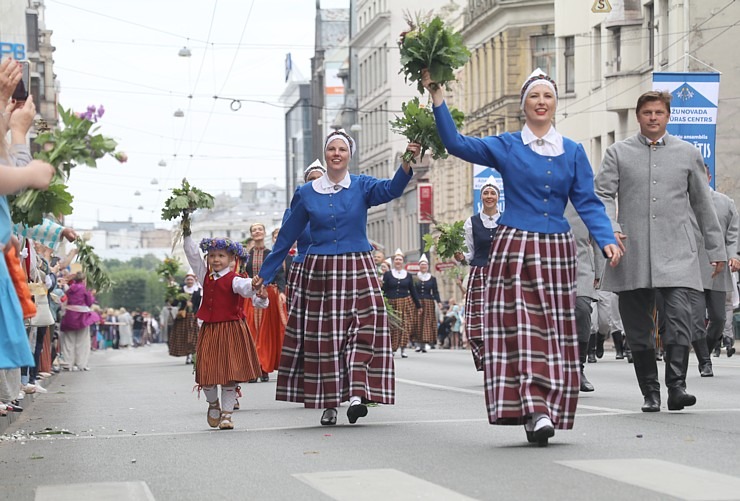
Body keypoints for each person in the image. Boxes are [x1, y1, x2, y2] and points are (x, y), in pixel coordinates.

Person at [424, 68, 620, 446]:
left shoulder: (573, 151)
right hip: (515, 247)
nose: (542, 102)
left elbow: (588, 202)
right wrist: (438, 98)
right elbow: (456, 143)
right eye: (534, 96)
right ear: (524, 106)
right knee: (522, 329)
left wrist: (605, 238)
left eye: (548, 96)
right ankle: (533, 407)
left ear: (555, 104)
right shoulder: (508, 145)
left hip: (558, 251)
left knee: (553, 332)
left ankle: (546, 406)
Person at [253, 129, 418, 426]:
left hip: (358, 266)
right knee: (326, 339)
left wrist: (407, 160)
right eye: (332, 149)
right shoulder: (306, 193)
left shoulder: (362, 185)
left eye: (342, 149)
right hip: (320, 272)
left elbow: (392, 190)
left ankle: (356, 394)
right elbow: (287, 236)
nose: (337, 153)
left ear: (349, 155)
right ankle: (329, 403)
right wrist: (263, 276)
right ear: (326, 154)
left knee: (364, 328)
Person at [595, 90, 725, 413]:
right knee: (637, 325)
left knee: (681, 318)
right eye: (647, 113)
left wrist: (715, 248)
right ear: (638, 117)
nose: (653, 118)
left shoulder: (687, 153)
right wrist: (609, 229)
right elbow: (601, 195)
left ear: (668, 116)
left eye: (659, 112)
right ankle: (650, 392)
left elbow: (703, 204)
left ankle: (676, 387)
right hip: (631, 250)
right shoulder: (617, 153)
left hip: (677, 251)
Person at [183, 235, 266, 430]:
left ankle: (227, 415)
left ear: (231, 259)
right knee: (206, 374)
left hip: (230, 329)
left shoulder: (235, 279)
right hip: (210, 329)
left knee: (229, 374)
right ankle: (213, 404)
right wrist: (186, 232)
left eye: (221, 255)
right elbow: (193, 254)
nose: (216, 259)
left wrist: (255, 286)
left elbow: (246, 289)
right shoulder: (205, 276)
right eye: (212, 255)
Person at [686, 166, 739, 376]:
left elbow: (733, 234)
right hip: (692, 269)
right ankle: (705, 362)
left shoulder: (726, 203)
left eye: (703, 176)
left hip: (718, 267)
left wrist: (734, 255)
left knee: (718, 318)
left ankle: (704, 351)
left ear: (709, 177)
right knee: (696, 318)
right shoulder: (682, 203)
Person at [455, 177, 500, 370]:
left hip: (502, 276)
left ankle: (500, 358)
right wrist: (460, 257)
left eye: (492, 193)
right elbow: (469, 253)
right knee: (479, 322)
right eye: (486, 193)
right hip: (480, 275)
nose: (489, 197)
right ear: (481, 196)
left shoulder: (507, 221)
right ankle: (485, 358)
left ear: (498, 197)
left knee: (501, 320)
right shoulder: (472, 222)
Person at [243, 222, 286, 382]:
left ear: (264, 232)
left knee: (266, 333)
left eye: (259, 229)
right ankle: (253, 368)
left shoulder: (271, 253)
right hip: (250, 296)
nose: (257, 232)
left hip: (269, 294)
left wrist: (281, 291)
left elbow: (280, 274)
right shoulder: (247, 256)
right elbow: (243, 275)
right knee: (251, 331)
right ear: (252, 234)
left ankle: (264, 367)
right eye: (254, 230)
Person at [564, 203, 599, 392]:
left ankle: (579, 368)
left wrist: (599, 272)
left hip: (582, 267)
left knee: (583, 310)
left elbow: (598, 237)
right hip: (548, 267)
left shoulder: (584, 196)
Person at [382, 248, 421, 358]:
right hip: (391, 302)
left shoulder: (407, 275)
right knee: (393, 326)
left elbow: (412, 290)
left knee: (404, 326)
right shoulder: (388, 274)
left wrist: (418, 305)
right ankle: (393, 348)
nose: (398, 261)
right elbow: (384, 289)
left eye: (400, 259)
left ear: (403, 261)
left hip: (405, 303)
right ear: (394, 261)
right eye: (396, 259)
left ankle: (403, 349)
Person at [59, 272, 100, 371]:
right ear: (83, 280)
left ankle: (68, 364)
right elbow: (89, 302)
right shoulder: (85, 289)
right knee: (82, 341)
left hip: (69, 316)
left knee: (68, 340)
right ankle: (81, 364)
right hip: (82, 317)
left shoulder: (70, 288)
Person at [411, 254, 442, 353]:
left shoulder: (432, 279)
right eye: (422, 265)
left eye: (425, 265)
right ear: (419, 266)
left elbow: (435, 291)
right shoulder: (415, 278)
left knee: (426, 323)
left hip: (428, 302)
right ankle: (417, 344)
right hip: (417, 301)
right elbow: (413, 291)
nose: (423, 267)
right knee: (417, 322)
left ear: (427, 267)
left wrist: (439, 301)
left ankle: (424, 344)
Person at [168, 273, 201, 364]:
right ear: (185, 281)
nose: (189, 281)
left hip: (194, 316)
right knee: (185, 336)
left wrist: (194, 306)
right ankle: (188, 355)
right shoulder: (181, 291)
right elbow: (174, 303)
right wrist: (170, 295)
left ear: (194, 281)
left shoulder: (198, 291)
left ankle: (194, 355)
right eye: (188, 280)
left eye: (191, 280)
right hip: (184, 317)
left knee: (195, 337)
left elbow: (201, 303)